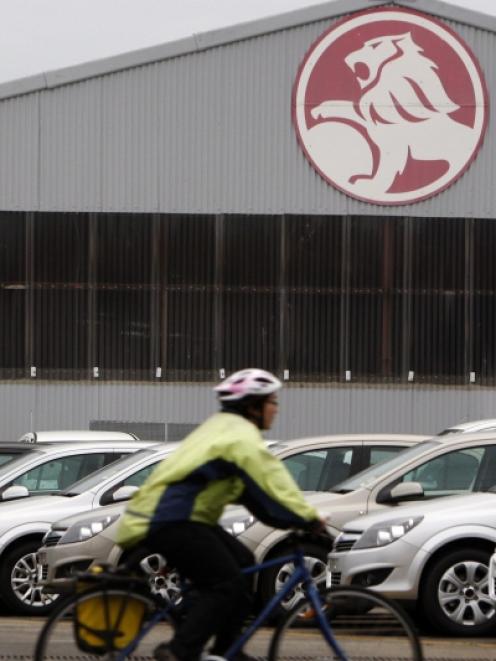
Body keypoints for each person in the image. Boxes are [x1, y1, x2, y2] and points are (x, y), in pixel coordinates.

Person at [116, 368, 325, 661]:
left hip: (176, 518)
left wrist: (287, 520)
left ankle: (227, 648)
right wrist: (308, 517)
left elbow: (254, 497)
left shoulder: (222, 429)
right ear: (253, 407)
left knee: (243, 561)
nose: (276, 409)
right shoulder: (241, 438)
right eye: (272, 402)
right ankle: (179, 652)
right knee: (226, 584)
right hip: (172, 519)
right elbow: (271, 480)